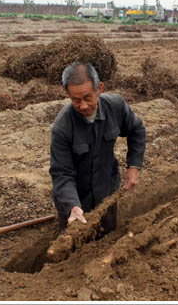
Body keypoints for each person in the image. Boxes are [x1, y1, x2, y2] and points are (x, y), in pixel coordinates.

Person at [49, 61, 146, 233]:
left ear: (99, 88)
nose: (83, 106)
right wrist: (73, 207)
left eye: (88, 97)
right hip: (76, 198)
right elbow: (61, 173)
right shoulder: (62, 127)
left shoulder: (116, 106)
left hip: (106, 192)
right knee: (72, 248)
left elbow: (137, 130)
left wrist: (134, 166)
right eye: (76, 100)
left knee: (106, 237)